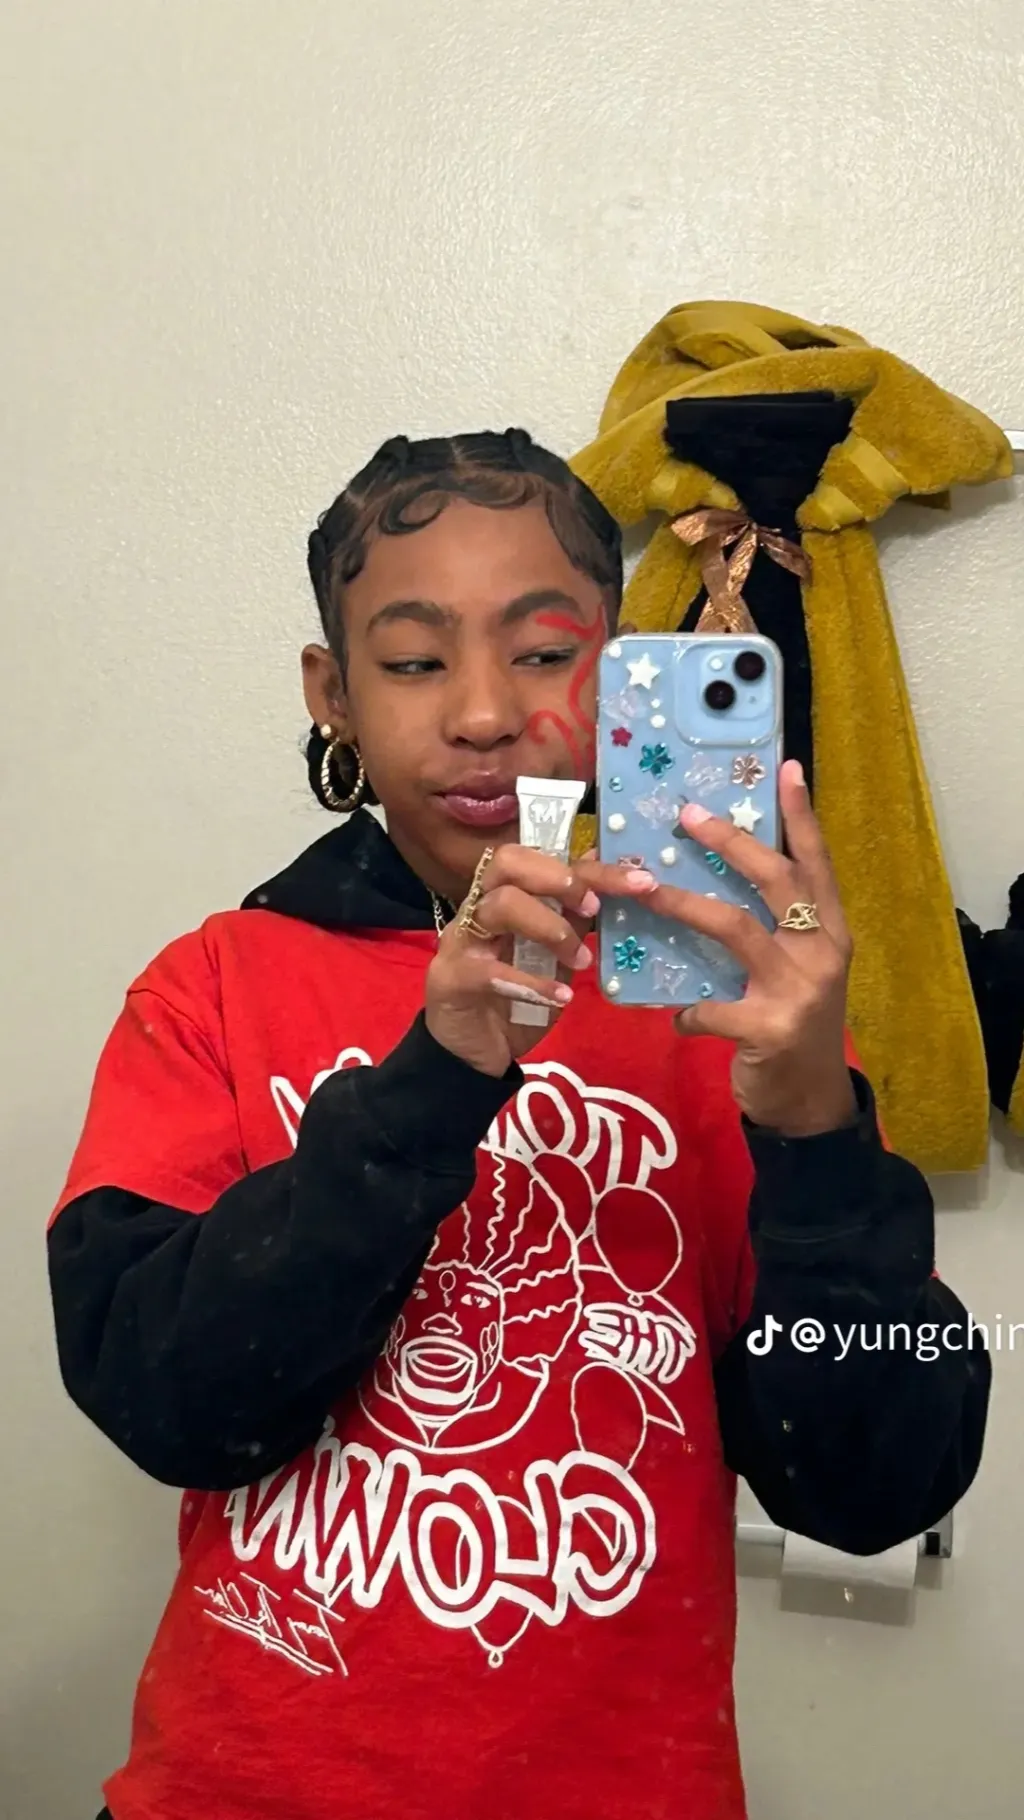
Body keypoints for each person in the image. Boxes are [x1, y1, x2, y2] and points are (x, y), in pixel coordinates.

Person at [49, 430, 990, 1820]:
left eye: (546, 652)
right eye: (414, 660)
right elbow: (168, 1399)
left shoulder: (733, 1017)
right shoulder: (214, 987)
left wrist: (816, 1132)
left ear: (617, 680)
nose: (486, 712)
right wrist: (431, 1083)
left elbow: (874, 1487)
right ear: (334, 695)